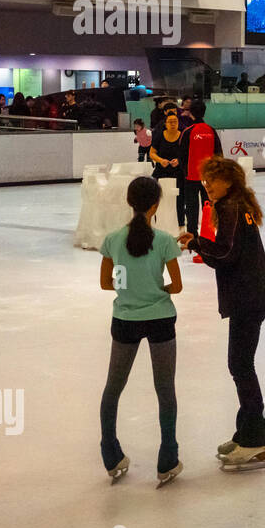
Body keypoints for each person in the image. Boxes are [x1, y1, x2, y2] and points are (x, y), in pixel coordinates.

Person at [178, 157, 265, 472]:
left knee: (241, 366)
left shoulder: (231, 208)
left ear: (228, 182)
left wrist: (197, 244)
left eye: (211, 181)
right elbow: (229, 251)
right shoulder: (235, 205)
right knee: (241, 365)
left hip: (248, 297)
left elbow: (227, 255)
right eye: (204, 181)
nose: (206, 187)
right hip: (252, 295)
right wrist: (200, 242)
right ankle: (246, 434)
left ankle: (255, 440)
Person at [98, 176, 183, 486]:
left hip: (124, 320)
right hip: (161, 319)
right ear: (155, 205)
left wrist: (132, 289)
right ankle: (168, 457)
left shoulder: (112, 240)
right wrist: (155, 290)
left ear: (129, 203)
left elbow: (106, 283)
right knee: (165, 391)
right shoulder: (165, 241)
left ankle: (110, 451)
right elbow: (177, 285)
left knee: (113, 388)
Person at [178, 100, 222, 239]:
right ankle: (209, 233)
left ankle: (193, 234)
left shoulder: (187, 132)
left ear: (190, 113)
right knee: (209, 205)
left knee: (192, 207)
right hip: (209, 177)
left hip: (191, 176)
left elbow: (181, 155)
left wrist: (185, 172)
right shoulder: (211, 131)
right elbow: (219, 154)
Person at [148, 111, 184, 229]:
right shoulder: (159, 135)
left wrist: (178, 160)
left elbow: (186, 154)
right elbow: (152, 153)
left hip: (178, 172)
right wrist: (160, 160)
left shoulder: (183, 135)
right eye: (170, 122)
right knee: (158, 198)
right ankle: (157, 223)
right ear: (166, 124)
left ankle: (180, 224)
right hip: (161, 171)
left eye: (175, 122)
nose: (173, 124)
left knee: (179, 199)